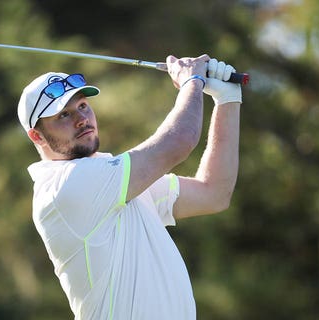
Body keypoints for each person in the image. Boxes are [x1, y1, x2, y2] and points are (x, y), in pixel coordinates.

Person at [17, 54, 242, 319]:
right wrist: (192, 81)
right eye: (64, 115)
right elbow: (180, 140)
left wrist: (227, 100)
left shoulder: (113, 180)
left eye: (83, 106)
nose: (81, 119)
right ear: (36, 135)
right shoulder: (65, 186)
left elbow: (213, 193)